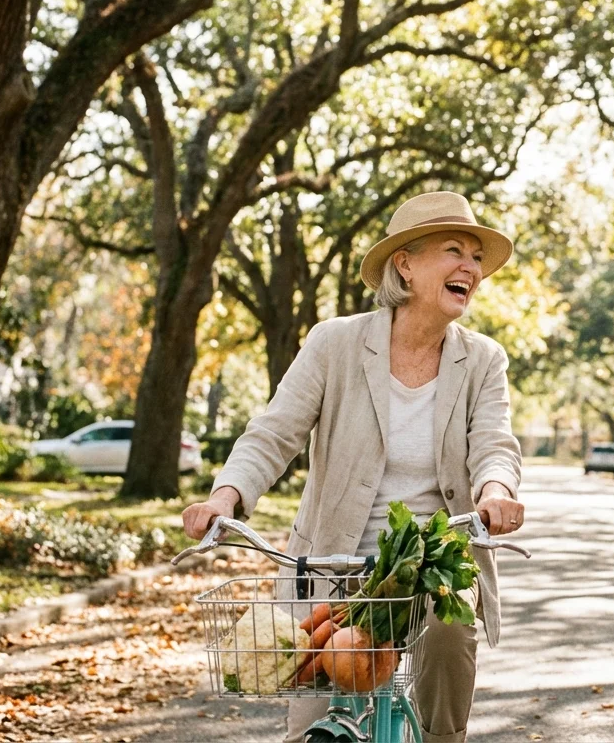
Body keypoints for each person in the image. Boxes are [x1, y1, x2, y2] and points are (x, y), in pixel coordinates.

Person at [180, 191, 525, 743]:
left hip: (428, 570)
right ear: (405, 264)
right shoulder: (334, 343)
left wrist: (496, 489)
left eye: (477, 258)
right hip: (328, 566)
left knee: (449, 634)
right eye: (454, 251)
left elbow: (493, 442)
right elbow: (275, 432)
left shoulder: (483, 359)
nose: (470, 267)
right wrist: (225, 497)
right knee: (309, 728)